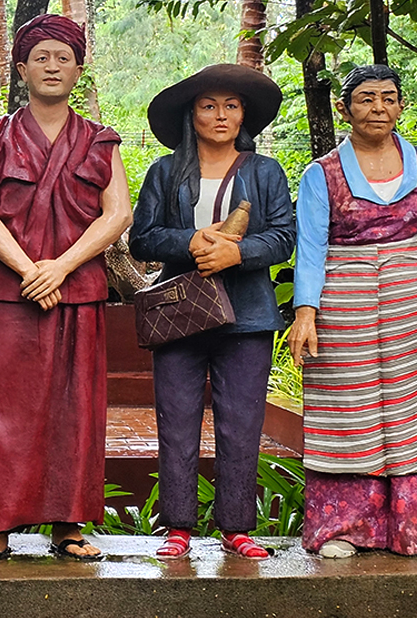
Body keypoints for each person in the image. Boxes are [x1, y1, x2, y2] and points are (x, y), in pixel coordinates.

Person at [0, 14, 132, 564]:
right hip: (9, 294)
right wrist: (30, 269)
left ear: (78, 70)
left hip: (77, 292)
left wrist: (61, 267)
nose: (52, 67)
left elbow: (117, 214)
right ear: (21, 69)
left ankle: (69, 526)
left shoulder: (100, 139)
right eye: (40, 58)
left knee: (74, 412)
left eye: (63, 58)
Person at [289, 64, 417, 558]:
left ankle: (410, 527)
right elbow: (311, 248)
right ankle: (342, 530)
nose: (378, 108)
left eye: (388, 97)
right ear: (344, 109)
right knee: (346, 409)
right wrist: (306, 314)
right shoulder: (322, 173)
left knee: (408, 407)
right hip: (342, 308)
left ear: (401, 106)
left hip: (411, 306)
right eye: (365, 99)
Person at [129, 65, 294, 559]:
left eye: (231, 106)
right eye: (209, 106)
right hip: (179, 315)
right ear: (191, 115)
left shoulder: (265, 172)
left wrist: (238, 253)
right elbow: (142, 239)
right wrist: (190, 241)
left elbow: (284, 236)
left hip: (248, 318)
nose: (221, 115)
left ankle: (237, 528)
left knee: (241, 426)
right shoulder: (164, 172)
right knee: (176, 423)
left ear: (243, 115)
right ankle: (177, 527)